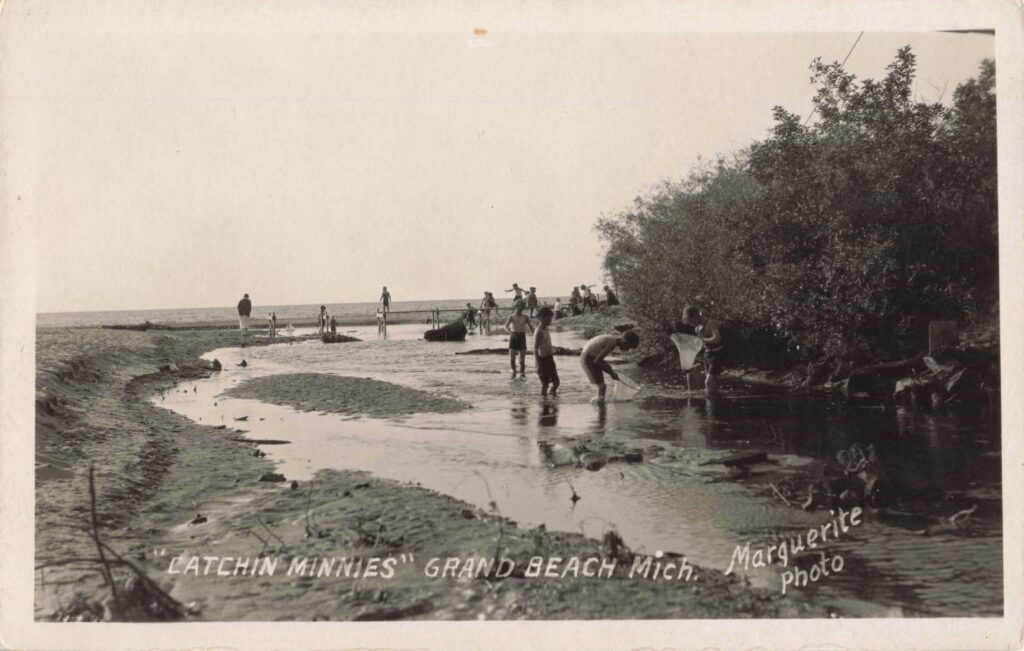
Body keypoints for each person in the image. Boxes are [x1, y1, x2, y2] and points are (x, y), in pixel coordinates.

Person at [580, 330, 640, 403]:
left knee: (602, 386)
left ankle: (600, 407)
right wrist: (611, 373)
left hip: (591, 358)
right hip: (587, 359)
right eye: (628, 347)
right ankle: (599, 408)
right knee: (601, 386)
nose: (627, 349)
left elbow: (598, 360)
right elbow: (597, 361)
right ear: (625, 341)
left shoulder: (612, 340)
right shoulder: (611, 343)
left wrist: (610, 371)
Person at [681, 305, 727, 396]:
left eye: (691, 321)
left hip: (717, 355)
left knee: (708, 383)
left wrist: (702, 340)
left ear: (696, 315)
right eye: (688, 322)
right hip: (707, 356)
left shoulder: (710, 323)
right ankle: (693, 402)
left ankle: (712, 404)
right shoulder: (697, 328)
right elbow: (701, 346)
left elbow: (717, 338)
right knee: (690, 374)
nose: (690, 324)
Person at [534, 307, 559, 396]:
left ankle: (551, 399)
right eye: (548, 318)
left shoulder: (546, 329)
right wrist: (538, 365)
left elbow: (547, 343)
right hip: (542, 360)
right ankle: (544, 404)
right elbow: (535, 349)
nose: (550, 320)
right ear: (541, 318)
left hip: (549, 358)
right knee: (545, 384)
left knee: (556, 382)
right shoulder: (539, 331)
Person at [505, 301, 534, 378]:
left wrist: (535, 334)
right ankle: (513, 375)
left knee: (522, 361)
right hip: (513, 336)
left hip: (522, 337)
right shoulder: (511, 316)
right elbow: (505, 327)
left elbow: (531, 327)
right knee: (512, 360)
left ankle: (522, 376)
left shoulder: (525, 317)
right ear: (516, 306)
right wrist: (511, 333)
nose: (521, 308)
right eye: (519, 306)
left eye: (522, 307)